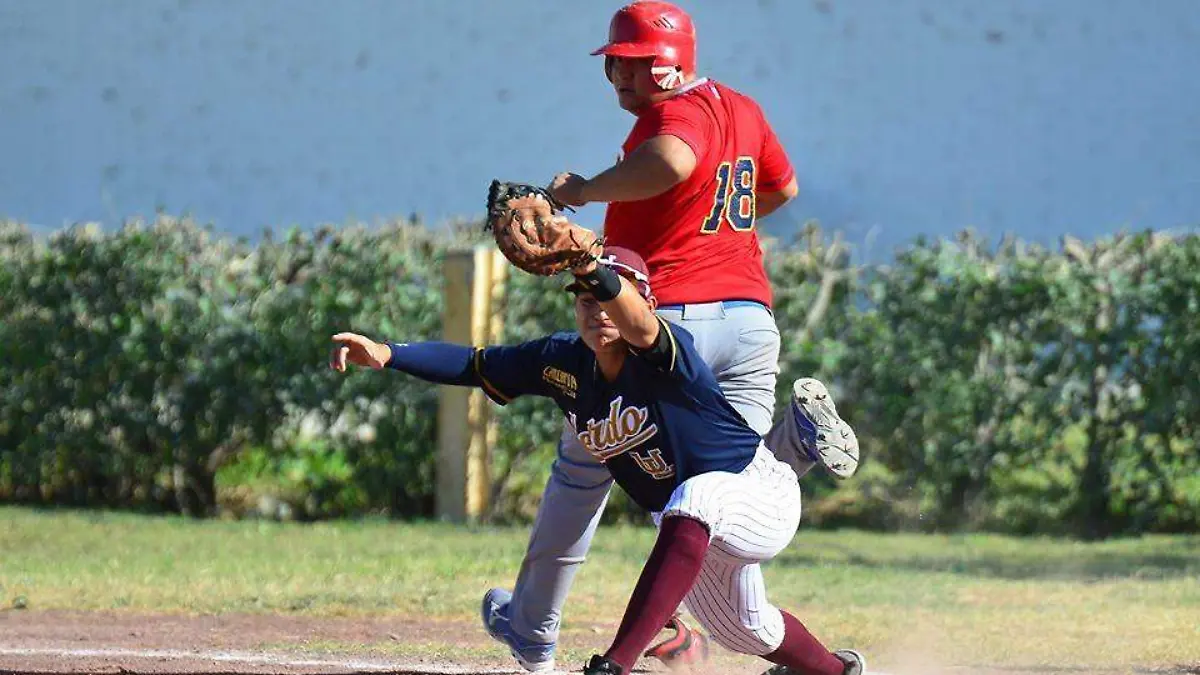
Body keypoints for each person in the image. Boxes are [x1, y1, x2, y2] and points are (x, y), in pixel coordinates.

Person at [483, 2, 861, 671]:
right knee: (724, 483)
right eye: (613, 68)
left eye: (630, 64)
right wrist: (712, 222)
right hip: (749, 320)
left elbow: (675, 160)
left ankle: (533, 626)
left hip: (668, 321)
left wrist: (588, 188)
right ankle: (787, 459)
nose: (620, 79)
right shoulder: (742, 107)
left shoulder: (673, 115)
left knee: (584, 464)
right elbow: (783, 187)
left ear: (668, 63)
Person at [329, 247, 867, 675]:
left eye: (610, 297)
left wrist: (593, 265)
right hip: (693, 524)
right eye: (584, 298)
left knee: (694, 497)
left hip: (757, 491)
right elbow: (475, 364)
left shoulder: (663, 351)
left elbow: (640, 327)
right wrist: (390, 353)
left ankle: (613, 666)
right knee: (746, 632)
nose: (597, 307)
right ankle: (835, 671)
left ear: (643, 303)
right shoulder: (561, 361)